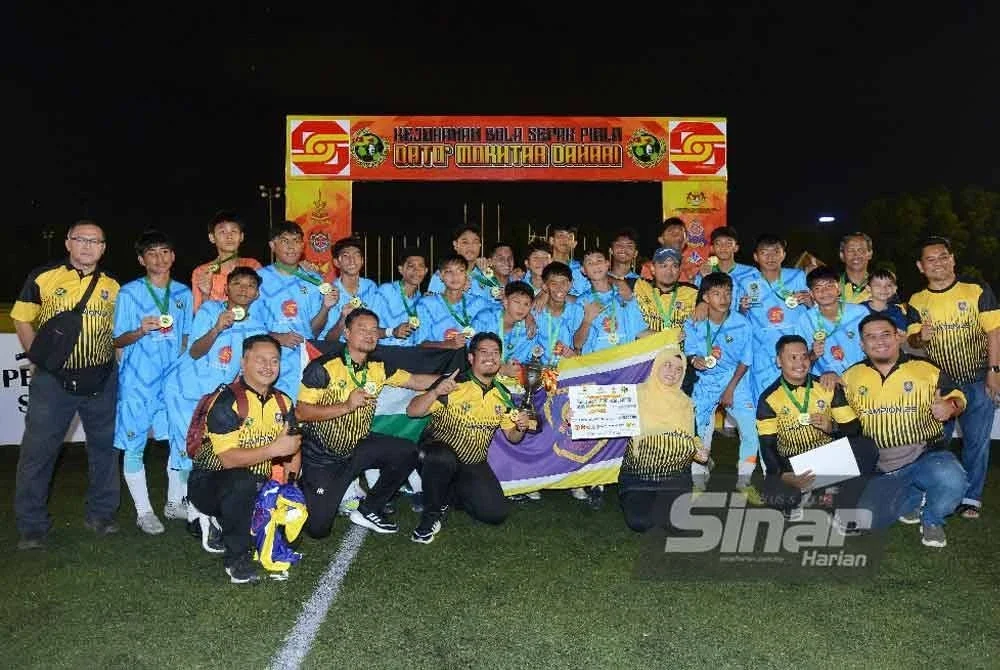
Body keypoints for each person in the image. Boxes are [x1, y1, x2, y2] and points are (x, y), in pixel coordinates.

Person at [14, 220, 121, 550]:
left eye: (95, 241)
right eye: (81, 239)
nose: (87, 246)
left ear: (103, 248)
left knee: (104, 451)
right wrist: (39, 359)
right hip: (54, 382)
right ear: (68, 243)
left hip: (101, 380)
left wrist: (114, 366)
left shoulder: (114, 286)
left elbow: (118, 332)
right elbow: (21, 317)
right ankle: (32, 526)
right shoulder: (43, 276)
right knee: (38, 453)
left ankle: (101, 514)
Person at [296, 308, 444, 537]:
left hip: (357, 447)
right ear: (346, 332)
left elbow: (415, 381)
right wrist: (345, 406)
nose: (369, 334)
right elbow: (302, 413)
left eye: (374, 329)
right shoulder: (322, 367)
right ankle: (302, 486)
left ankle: (370, 508)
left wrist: (452, 381)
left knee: (406, 451)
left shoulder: (377, 366)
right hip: (323, 456)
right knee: (318, 529)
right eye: (362, 329)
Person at [844, 313, 969, 548]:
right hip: (881, 466)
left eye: (885, 334)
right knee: (867, 518)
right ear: (862, 344)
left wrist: (950, 406)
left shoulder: (925, 368)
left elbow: (959, 396)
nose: (879, 341)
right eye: (871, 337)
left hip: (924, 455)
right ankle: (911, 498)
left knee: (951, 477)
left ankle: (932, 519)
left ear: (898, 337)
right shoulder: (851, 376)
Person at [187, 334, 301, 583]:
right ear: (243, 362)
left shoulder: (284, 402)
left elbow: (293, 448)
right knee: (242, 482)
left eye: (274, 361)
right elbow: (228, 460)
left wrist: (290, 486)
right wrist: (274, 450)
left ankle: (233, 521)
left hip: (257, 481)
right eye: (260, 360)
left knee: (296, 511)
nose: (268, 367)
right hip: (210, 483)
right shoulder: (226, 400)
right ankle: (236, 559)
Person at [905, 236, 1000, 519]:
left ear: (953, 259)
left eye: (943, 256)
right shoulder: (916, 301)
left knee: (977, 442)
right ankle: (930, 491)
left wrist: (995, 372)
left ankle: (971, 498)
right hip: (938, 387)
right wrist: (919, 337)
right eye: (930, 259)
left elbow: (994, 332)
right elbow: (912, 342)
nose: (938, 263)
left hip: (978, 379)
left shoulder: (976, 289)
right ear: (921, 267)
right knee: (935, 443)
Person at [406, 332, 530, 543]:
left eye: (495, 353)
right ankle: (430, 516)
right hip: (437, 454)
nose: (490, 357)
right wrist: (435, 392)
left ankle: (446, 493)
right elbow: (412, 411)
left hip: (472, 462)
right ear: (471, 358)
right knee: (441, 458)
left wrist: (521, 427)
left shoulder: (503, 395)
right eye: (484, 352)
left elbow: (512, 437)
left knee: (494, 514)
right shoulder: (454, 384)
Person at [163, 267, 268, 504]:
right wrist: (217, 328)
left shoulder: (258, 327)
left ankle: (178, 502)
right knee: (190, 449)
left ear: (257, 294)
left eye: (250, 285)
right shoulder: (210, 310)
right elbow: (196, 351)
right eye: (238, 283)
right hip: (185, 391)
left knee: (206, 450)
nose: (244, 289)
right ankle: (191, 509)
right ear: (226, 289)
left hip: (215, 397)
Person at [112, 230, 194, 534]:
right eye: (152, 253)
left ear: (172, 256)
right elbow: (117, 339)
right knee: (134, 444)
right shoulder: (130, 293)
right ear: (141, 259)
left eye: (164, 252)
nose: (159, 258)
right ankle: (144, 511)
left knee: (180, 440)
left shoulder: (183, 294)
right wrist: (139, 330)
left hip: (172, 380)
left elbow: (186, 337)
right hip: (138, 380)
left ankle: (175, 503)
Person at [757, 335, 878, 520]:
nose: (800, 363)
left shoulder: (826, 386)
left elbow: (854, 430)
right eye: (793, 357)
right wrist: (783, 475)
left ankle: (841, 506)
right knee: (777, 497)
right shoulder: (768, 398)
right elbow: (767, 446)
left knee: (866, 447)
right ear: (779, 361)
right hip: (792, 464)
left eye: (804, 356)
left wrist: (832, 427)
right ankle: (815, 493)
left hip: (826, 457)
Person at [619, 344, 709, 532]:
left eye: (679, 369)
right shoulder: (634, 394)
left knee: (676, 524)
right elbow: (603, 416)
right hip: (639, 474)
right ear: (656, 366)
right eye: (667, 365)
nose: (673, 372)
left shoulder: (685, 402)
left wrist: (699, 450)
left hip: (675, 475)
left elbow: (693, 435)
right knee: (640, 523)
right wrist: (577, 416)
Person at [683, 272, 757, 487]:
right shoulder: (694, 322)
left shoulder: (742, 324)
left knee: (750, 430)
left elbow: (745, 361)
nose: (724, 298)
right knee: (699, 432)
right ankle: (698, 479)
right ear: (705, 298)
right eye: (717, 293)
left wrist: (730, 389)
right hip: (704, 382)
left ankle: (745, 480)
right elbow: (689, 353)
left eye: (727, 293)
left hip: (734, 380)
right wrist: (694, 360)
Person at [257, 222, 339, 400]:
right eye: (285, 241)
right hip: (266, 360)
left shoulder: (315, 281)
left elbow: (315, 331)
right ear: (273, 245)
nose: (291, 246)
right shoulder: (259, 279)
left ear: (303, 245)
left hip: (302, 361)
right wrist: (277, 337)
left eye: (296, 241)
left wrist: (326, 307)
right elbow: (250, 324)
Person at [734, 234, 812, 401]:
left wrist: (809, 301)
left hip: (795, 350)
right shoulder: (745, 282)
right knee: (765, 399)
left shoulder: (797, 276)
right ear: (756, 256)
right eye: (764, 253)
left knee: (798, 397)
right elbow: (738, 320)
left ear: (783, 254)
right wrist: (742, 309)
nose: (770, 257)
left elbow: (815, 309)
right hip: (762, 351)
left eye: (776, 252)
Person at [795, 266, 869, 382]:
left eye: (829, 286)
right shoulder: (805, 320)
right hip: (825, 382)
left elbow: (873, 347)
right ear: (811, 294)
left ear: (838, 288)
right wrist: (813, 354)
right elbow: (800, 360)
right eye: (818, 288)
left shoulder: (860, 313)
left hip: (860, 378)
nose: (824, 291)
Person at [574, 248, 647, 354]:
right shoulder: (582, 301)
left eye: (599, 260)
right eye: (590, 263)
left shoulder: (625, 296)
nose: (595, 265)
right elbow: (577, 344)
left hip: (624, 361)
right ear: (583, 270)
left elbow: (640, 331)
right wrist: (587, 320)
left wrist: (668, 337)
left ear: (607, 264)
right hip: (596, 365)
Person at [191, 210, 262, 313]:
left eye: (234, 231)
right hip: (216, 327)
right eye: (222, 232)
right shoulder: (202, 272)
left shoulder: (253, 266)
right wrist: (205, 295)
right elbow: (198, 316)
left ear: (241, 236)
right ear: (212, 237)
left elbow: (262, 304)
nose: (229, 236)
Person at [417, 255, 491, 350]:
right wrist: (447, 344)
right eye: (449, 271)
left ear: (467, 275)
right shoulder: (426, 304)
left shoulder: (479, 303)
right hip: (439, 361)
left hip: (471, 362)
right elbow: (420, 343)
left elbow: (505, 312)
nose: (455, 276)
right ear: (440, 275)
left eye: (460, 271)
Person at [322, 236, 385, 342]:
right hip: (339, 352)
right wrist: (343, 318)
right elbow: (328, 340)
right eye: (346, 256)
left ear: (362, 261)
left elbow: (377, 328)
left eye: (356, 255)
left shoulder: (371, 287)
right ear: (336, 262)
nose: (352, 261)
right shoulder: (331, 292)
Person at [471, 281, 539, 378]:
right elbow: (471, 351)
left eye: (526, 304)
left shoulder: (528, 330)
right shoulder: (485, 319)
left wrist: (513, 369)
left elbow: (522, 361)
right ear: (505, 302)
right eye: (517, 302)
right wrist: (500, 368)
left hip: (510, 381)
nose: (521, 308)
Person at [631, 247, 698, 339]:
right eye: (663, 266)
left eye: (674, 266)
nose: (669, 271)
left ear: (679, 270)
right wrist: (666, 336)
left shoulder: (692, 292)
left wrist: (703, 305)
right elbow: (610, 280)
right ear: (653, 269)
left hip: (680, 352)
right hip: (646, 351)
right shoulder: (639, 286)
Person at [532, 262, 584, 365]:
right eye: (554, 284)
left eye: (563, 283)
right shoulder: (535, 313)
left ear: (570, 284)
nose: (559, 288)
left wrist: (575, 355)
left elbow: (582, 348)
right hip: (540, 372)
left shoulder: (578, 312)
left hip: (569, 371)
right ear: (545, 287)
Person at [375, 246, 429, 346]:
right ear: (401, 269)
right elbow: (368, 330)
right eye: (411, 266)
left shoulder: (421, 299)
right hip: (384, 353)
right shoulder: (385, 291)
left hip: (410, 354)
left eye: (420, 266)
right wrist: (392, 332)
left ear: (426, 271)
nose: (416, 270)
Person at [427, 225, 497, 301]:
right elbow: (433, 305)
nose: (470, 247)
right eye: (465, 242)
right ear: (455, 245)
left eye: (475, 242)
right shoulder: (443, 275)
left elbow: (498, 302)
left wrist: (488, 273)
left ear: (480, 245)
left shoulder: (485, 273)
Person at [546, 223, 591, 296]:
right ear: (551, 240)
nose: (565, 239)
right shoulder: (540, 266)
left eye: (570, 237)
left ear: (574, 244)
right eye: (561, 235)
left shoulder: (582, 269)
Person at [838, 232, 874, 304]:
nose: (856, 255)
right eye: (850, 250)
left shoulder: (882, 287)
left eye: (860, 250)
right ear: (842, 255)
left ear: (870, 254)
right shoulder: (832, 285)